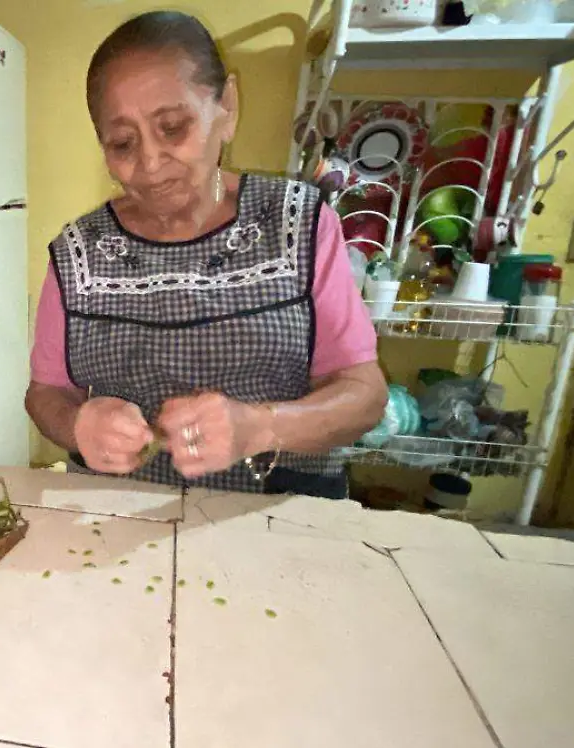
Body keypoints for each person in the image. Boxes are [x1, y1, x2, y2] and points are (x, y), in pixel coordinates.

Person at [25, 11, 386, 499]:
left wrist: (260, 427)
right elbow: (47, 394)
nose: (151, 165)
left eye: (173, 127)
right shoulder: (78, 251)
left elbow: (364, 396)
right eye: (123, 143)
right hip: (117, 517)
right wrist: (77, 426)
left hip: (277, 515)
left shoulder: (298, 224)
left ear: (227, 108)